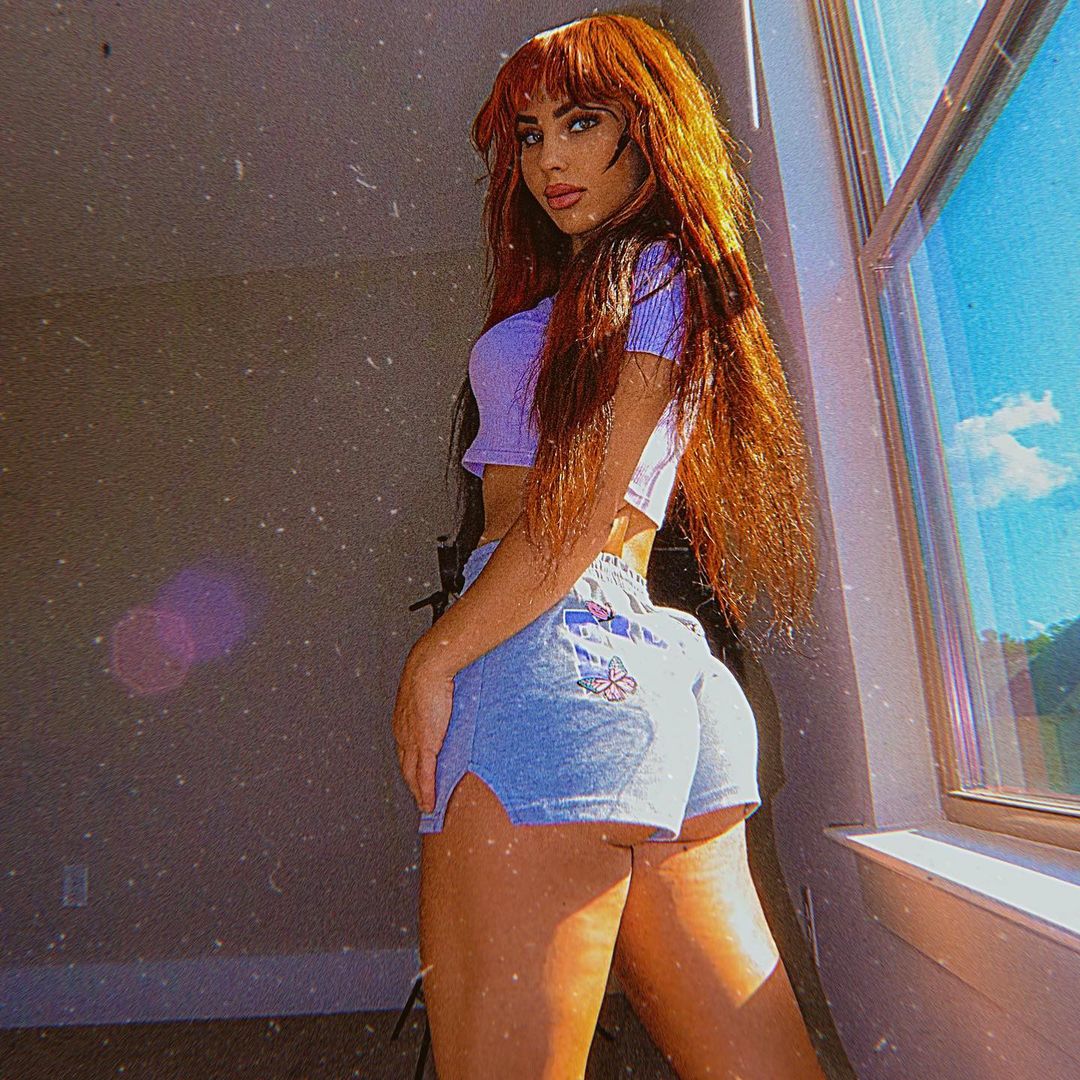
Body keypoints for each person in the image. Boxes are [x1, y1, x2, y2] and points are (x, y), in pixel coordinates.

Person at [392, 12, 825, 1079]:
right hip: (660, 669)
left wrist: (434, 658)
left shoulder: (650, 269)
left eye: (581, 122)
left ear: (650, 128)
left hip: (545, 654)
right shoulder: (651, 280)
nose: (549, 159)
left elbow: (578, 509)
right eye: (530, 134)